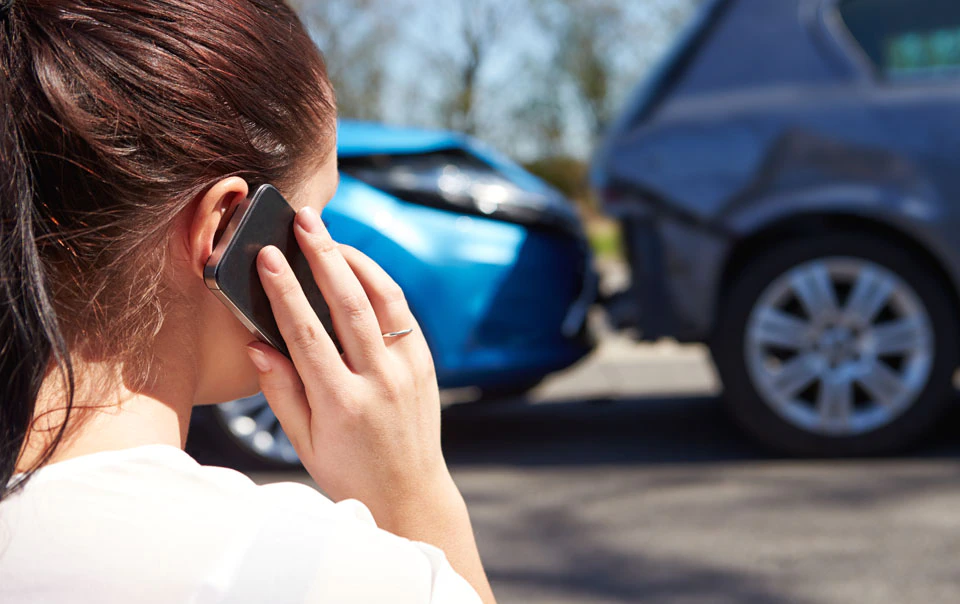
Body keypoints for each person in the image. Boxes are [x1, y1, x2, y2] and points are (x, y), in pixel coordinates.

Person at [0, 1, 496, 602]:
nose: (326, 253)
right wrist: (415, 495)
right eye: (316, 215)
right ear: (226, 229)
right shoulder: (313, 570)